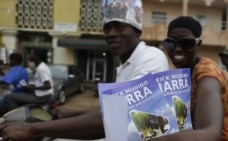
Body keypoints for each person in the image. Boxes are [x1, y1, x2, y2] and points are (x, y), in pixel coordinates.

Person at [0, 0, 169, 140]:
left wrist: (33, 130)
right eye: (107, 28)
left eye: (120, 27)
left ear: (137, 30)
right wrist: (74, 113)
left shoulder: (151, 57)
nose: (111, 33)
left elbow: (119, 117)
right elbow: (113, 109)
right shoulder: (124, 66)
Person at [158, 16, 228, 141]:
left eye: (186, 43)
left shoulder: (207, 70)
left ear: (198, 44)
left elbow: (210, 133)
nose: (177, 49)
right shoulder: (179, 74)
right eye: (171, 43)